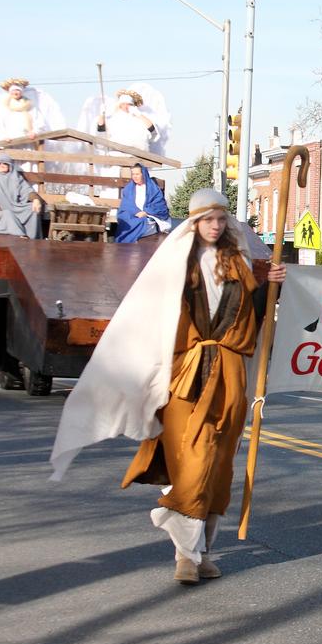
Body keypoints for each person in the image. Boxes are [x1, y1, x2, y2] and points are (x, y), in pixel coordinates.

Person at [50, 188, 286, 586]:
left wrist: (269, 288)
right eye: (206, 219)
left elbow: (249, 317)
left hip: (229, 375)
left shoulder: (238, 262)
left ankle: (202, 552)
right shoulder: (176, 263)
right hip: (187, 377)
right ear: (193, 222)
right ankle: (186, 556)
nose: (214, 225)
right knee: (192, 463)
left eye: (220, 218)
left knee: (219, 468)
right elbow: (150, 319)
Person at [115, 164, 171, 243]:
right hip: (132, 215)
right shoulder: (129, 188)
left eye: (137, 174)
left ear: (143, 174)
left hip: (147, 217)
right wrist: (134, 212)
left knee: (138, 222)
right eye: (133, 174)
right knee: (125, 221)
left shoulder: (153, 189)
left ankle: (129, 241)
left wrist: (146, 212)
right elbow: (125, 205)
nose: (135, 176)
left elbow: (160, 206)